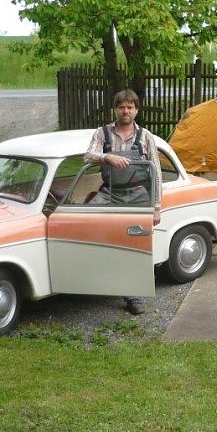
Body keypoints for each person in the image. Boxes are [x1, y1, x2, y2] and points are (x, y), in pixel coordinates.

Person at [84, 89, 162, 315]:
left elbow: (156, 172)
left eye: (130, 107)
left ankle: (132, 295)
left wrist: (156, 208)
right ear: (115, 109)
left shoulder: (146, 137)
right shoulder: (102, 133)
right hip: (110, 193)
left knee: (134, 245)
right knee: (83, 222)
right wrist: (107, 157)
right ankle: (90, 277)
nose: (125, 111)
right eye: (121, 107)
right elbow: (87, 156)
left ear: (136, 110)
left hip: (137, 195)